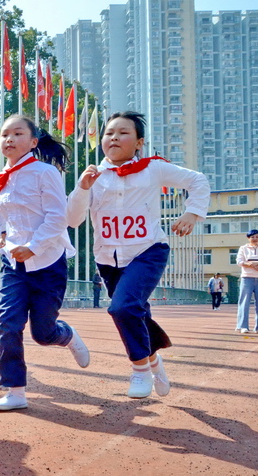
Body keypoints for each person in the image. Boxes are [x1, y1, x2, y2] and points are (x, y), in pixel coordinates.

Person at [67, 110, 210, 399]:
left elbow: (198, 181)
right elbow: (72, 219)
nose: (114, 138)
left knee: (121, 308)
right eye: (109, 133)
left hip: (147, 251)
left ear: (138, 142)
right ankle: (155, 361)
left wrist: (192, 213)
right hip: (108, 258)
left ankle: (140, 370)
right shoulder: (94, 177)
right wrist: (82, 188)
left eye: (123, 133)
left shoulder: (153, 168)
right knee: (137, 312)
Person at [0, 115, 90, 411]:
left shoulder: (45, 173)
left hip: (48, 261)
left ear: (32, 142)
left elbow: (59, 217)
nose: (9, 139)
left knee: (43, 333)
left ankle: (66, 335)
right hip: (13, 265)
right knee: (7, 323)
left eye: (17, 134)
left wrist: (32, 247)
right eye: (4, 135)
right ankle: (14, 390)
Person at [236, 230, 258, 332]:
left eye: (257, 237)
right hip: (247, 278)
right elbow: (239, 261)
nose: (255, 239)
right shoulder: (243, 248)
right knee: (244, 302)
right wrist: (250, 264)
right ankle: (243, 326)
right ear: (248, 238)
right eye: (252, 237)